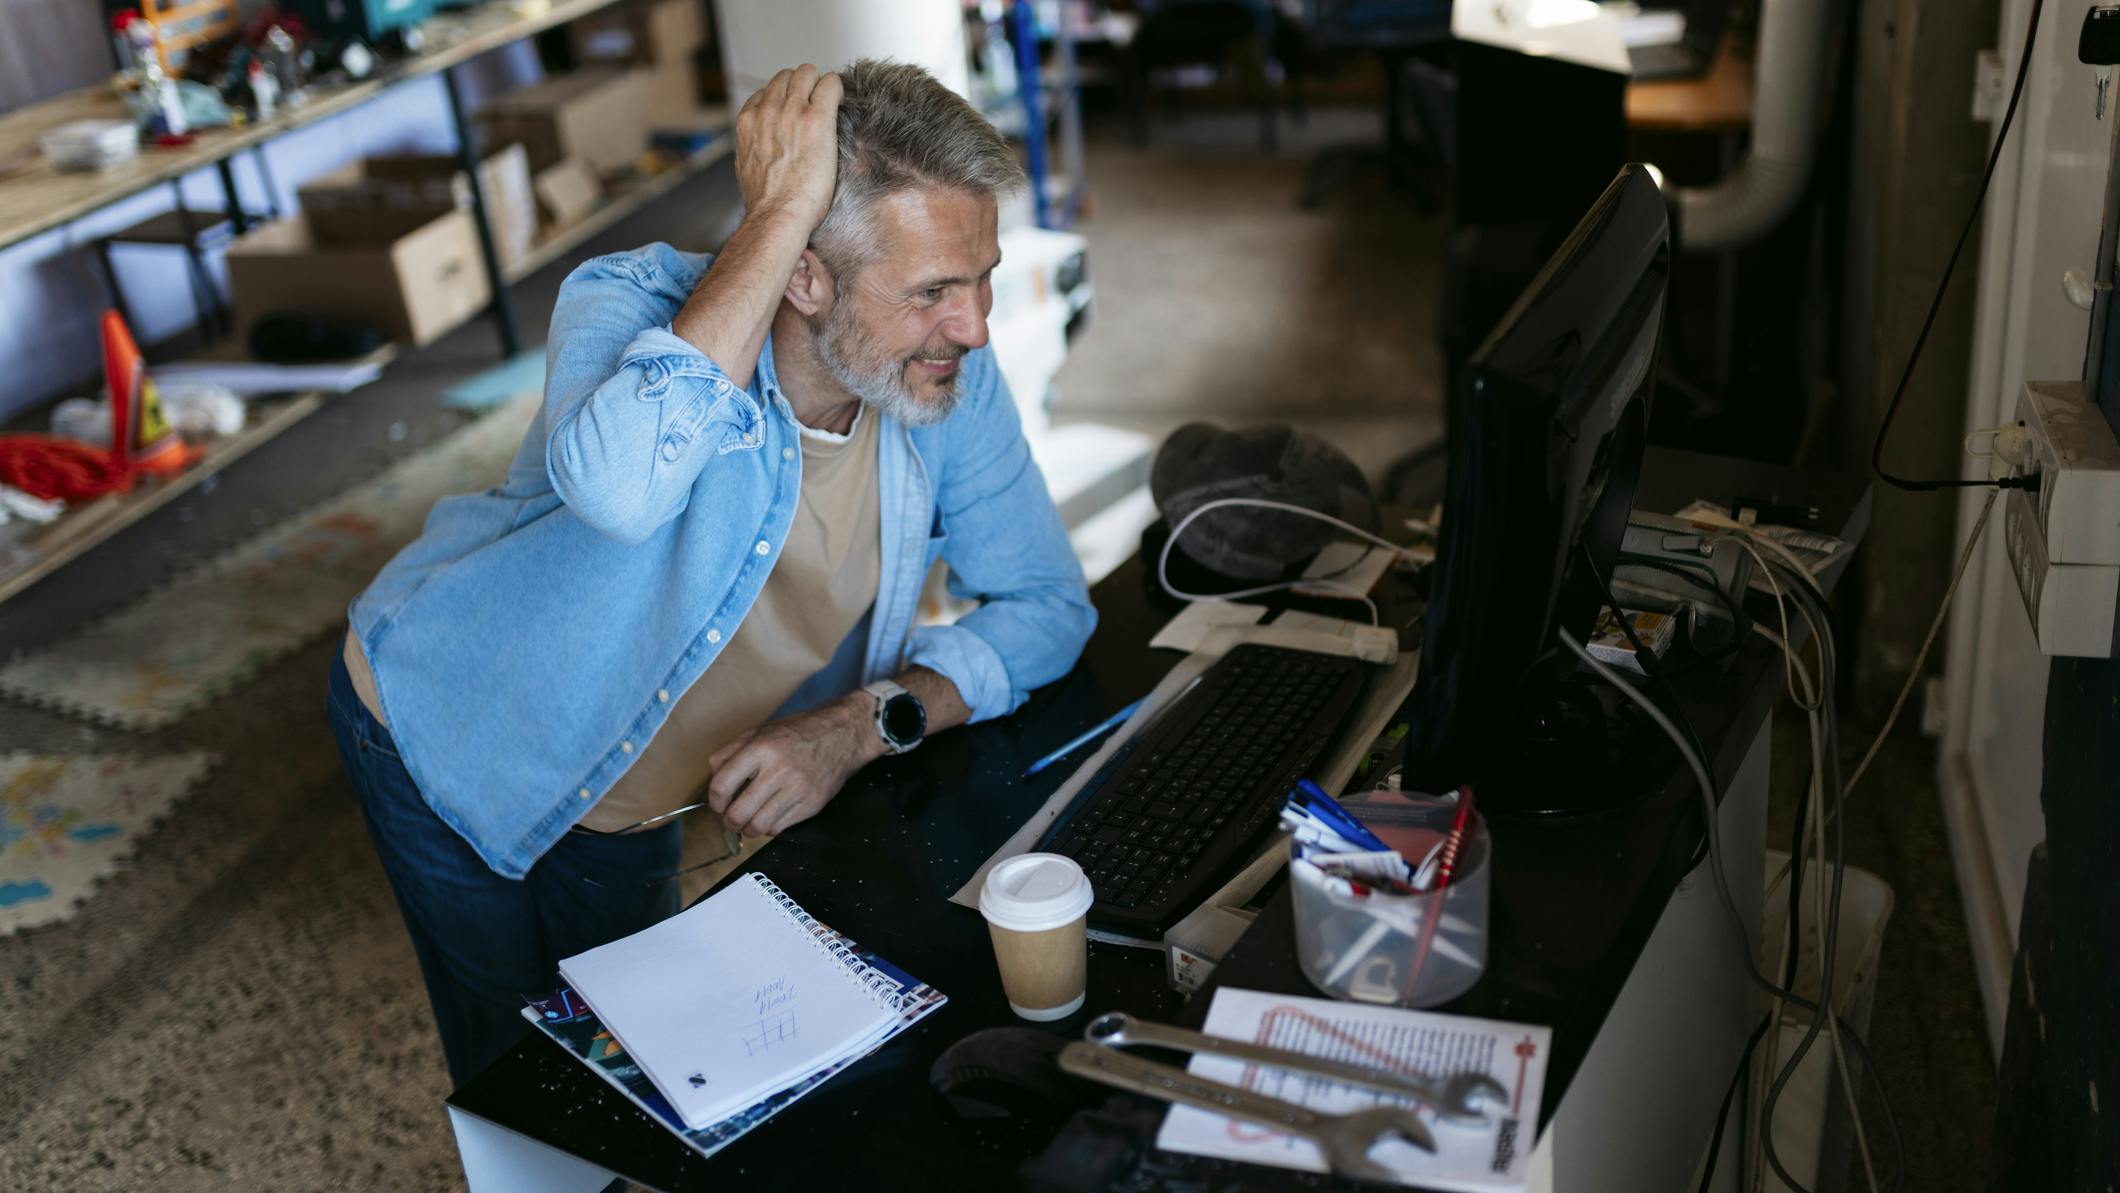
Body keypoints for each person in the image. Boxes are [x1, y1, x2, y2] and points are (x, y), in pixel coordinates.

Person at [325, 60, 1095, 1085]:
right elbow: (620, 492)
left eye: (980, 277)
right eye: (932, 292)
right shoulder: (624, 302)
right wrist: (778, 215)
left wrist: (864, 720)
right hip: (458, 720)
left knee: (649, 1070)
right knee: (527, 1082)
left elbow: (1049, 605)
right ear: (805, 274)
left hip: (653, 802)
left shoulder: (947, 374)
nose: (975, 324)